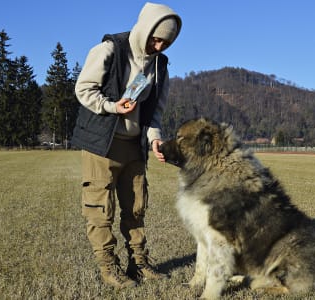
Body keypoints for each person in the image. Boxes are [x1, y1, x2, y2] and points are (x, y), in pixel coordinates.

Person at [71, 2, 182, 289]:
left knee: (136, 208)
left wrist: (155, 138)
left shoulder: (160, 65)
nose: (158, 46)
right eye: (156, 39)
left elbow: (155, 110)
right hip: (102, 145)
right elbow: (83, 89)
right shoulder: (109, 49)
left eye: (166, 43)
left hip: (134, 146)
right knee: (100, 210)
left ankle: (139, 263)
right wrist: (110, 106)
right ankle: (109, 268)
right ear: (145, 30)